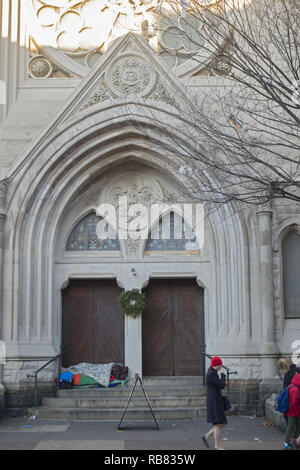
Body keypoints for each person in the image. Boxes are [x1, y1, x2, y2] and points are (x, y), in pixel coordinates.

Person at [202, 356, 228, 450]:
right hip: (214, 401)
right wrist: (223, 376)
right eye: (220, 365)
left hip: (215, 400)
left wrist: (223, 382)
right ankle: (217, 446)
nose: (221, 367)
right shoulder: (211, 374)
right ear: (216, 365)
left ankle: (206, 436)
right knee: (218, 423)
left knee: (222, 423)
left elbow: (218, 385)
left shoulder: (212, 373)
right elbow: (220, 385)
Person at [282, 373, 300, 450]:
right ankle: (287, 444)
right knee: (292, 427)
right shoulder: (296, 390)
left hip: (290, 412)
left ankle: (294, 442)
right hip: (295, 412)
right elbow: (295, 401)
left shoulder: (291, 387)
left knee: (292, 427)